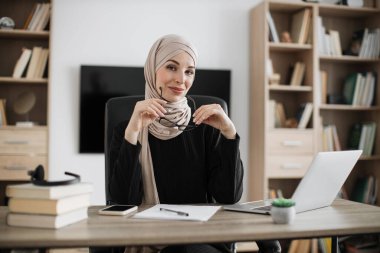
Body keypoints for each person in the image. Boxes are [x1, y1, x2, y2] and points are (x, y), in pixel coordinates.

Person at [108, 34, 280, 253]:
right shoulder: (126, 129)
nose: (182, 79)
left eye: (189, 71)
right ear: (152, 70)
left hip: (202, 237)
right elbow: (122, 202)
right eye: (172, 67)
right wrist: (132, 132)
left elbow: (229, 197)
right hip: (151, 239)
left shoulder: (204, 125)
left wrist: (229, 133)